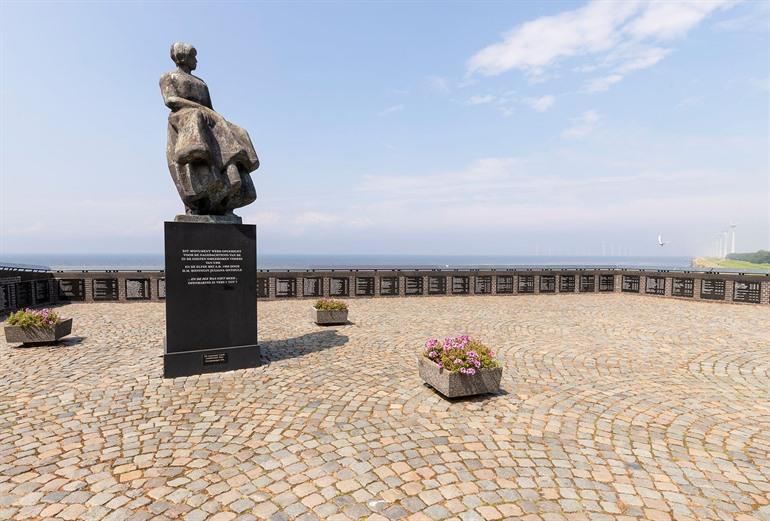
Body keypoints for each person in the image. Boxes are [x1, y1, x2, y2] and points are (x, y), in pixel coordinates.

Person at [160, 42, 258, 219]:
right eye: (193, 56)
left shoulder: (201, 83)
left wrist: (218, 119)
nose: (196, 60)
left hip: (206, 117)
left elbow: (210, 108)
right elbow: (171, 100)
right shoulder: (168, 77)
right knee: (196, 116)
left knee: (239, 130)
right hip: (183, 117)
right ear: (183, 57)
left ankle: (232, 174)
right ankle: (195, 151)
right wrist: (200, 109)